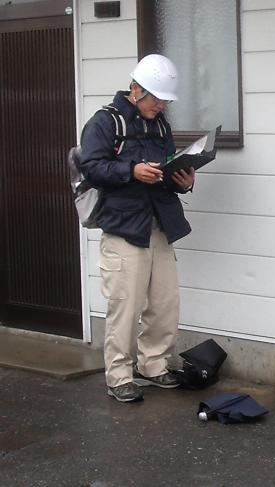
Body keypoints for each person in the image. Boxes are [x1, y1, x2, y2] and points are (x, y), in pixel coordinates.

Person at [79, 54, 195, 402]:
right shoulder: (104, 123)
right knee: (124, 307)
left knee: (164, 303)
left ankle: (153, 366)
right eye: (155, 99)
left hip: (159, 224)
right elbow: (92, 167)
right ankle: (118, 376)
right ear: (135, 89)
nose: (160, 106)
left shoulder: (160, 125)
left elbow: (168, 167)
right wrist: (131, 171)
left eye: (164, 100)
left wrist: (184, 181)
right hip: (124, 229)